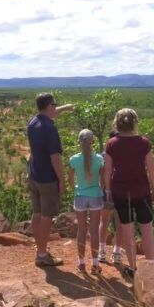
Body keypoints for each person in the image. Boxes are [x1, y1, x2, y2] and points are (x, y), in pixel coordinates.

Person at [104, 108, 154, 278]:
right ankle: (150, 267)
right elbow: (152, 170)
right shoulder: (144, 143)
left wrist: (107, 190)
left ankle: (134, 269)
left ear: (117, 124)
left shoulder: (112, 144)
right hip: (142, 191)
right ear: (134, 123)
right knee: (147, 229)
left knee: (128, 231)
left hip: (121, 192)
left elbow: (107, 171)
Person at [27, 93, 73, 267]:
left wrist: (66, 107)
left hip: (34, 176)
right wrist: (61, 180)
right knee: (47, 217)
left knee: (37, 214)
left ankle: (40, 249)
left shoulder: (33, 122)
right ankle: (42, 254)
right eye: (55, 105)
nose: (56, 107)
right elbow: (55, 158)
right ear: (49, 107)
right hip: (47, 179)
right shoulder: (50, 128)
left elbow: (50, 113)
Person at [68, 129, 104, 274]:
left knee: (81, 230)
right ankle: (95, 265)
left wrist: (75, 188)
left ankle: (81, 263)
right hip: (95, 195)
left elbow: (70, 179)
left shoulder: (73, 159)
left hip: (80, 196)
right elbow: (103, 180)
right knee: (94, 230)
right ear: (93, 142)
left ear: (79, 142)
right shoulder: (100, 159)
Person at [98, 131, 123, 264]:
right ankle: (117, 252)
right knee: (119, 223)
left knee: (104, 221)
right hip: (120, 192)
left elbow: (100, 176)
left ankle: (102, 252)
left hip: (105, 192)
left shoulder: (102, 155)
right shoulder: (124, 155)